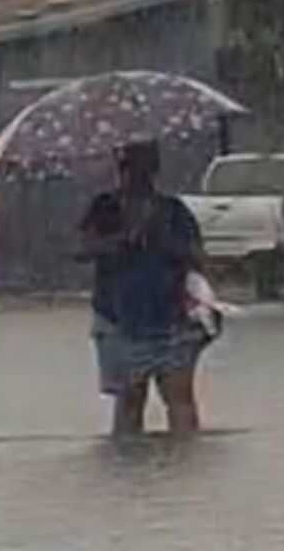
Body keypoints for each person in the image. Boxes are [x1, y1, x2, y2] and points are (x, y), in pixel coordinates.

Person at [77, 140, 212, 436]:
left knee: (179, 401)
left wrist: (162, 243)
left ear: (154, 171)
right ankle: (131, 469)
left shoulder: (172, 211)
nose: (136, 177)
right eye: (129, 168)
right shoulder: (105, 208)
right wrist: (122, 241)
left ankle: (179, 466)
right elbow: (82, 249)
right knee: (129, 403)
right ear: (121, 169)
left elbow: (197, 256)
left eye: (144, 168)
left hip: (171, 319)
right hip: (118, 319)